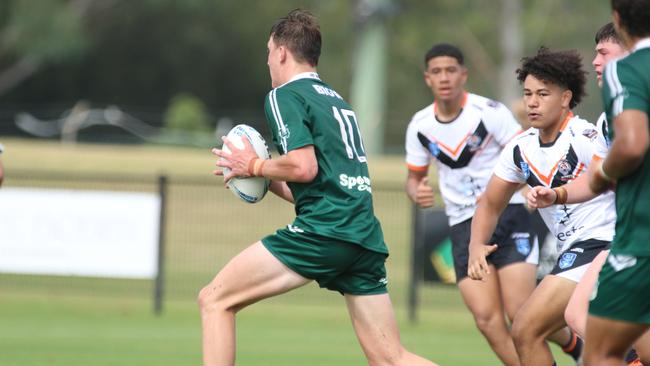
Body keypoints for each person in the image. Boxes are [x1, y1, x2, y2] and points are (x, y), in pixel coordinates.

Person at [199, 9, 438, 366]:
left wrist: (252, 164)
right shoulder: (336, 101)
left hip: (325, 232)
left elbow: (303, 166)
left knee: (214, 299)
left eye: (268, 52)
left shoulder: (284, 96)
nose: (267, 62)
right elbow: (314, 183)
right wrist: (261, 176)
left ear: (281, 51)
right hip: (362, 236)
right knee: (391, 358)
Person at [467, 47, 615, 366]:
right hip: (572, 249)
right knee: (538, 329)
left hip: (601, 243)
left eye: (543, 94)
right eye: (528, 93)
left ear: (565, 98)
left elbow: (621, 180)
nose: (532, 102)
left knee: (526, 328)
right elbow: (490, 203)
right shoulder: (520, 148)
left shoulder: (585, 138)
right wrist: (476, 245)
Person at [405, 43, 547, 365]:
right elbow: (413, 180)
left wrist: (507, 189)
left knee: (522, 315)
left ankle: (577, 348)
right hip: (462, 227)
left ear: (463, 75)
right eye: (437, 72)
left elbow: (526, 157)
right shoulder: (419, 126)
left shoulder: (489, 112)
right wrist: (417, 191)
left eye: (451, 70)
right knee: (486, 320)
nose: (445, 78)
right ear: (428, 78)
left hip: (507, 214)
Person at [526, 23, 647, 366]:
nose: (595, 61)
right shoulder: (610, 118)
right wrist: (558, 194)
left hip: (639, 236)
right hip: (630, 236)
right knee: (579, 317)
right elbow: (598, 178)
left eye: (603, 53)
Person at [582, 1, 650, 364]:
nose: (597, 62)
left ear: (618, 21)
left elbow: (633, 143)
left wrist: (604, 173)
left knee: (600, 352)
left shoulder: (625, 70)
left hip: (640, 239)